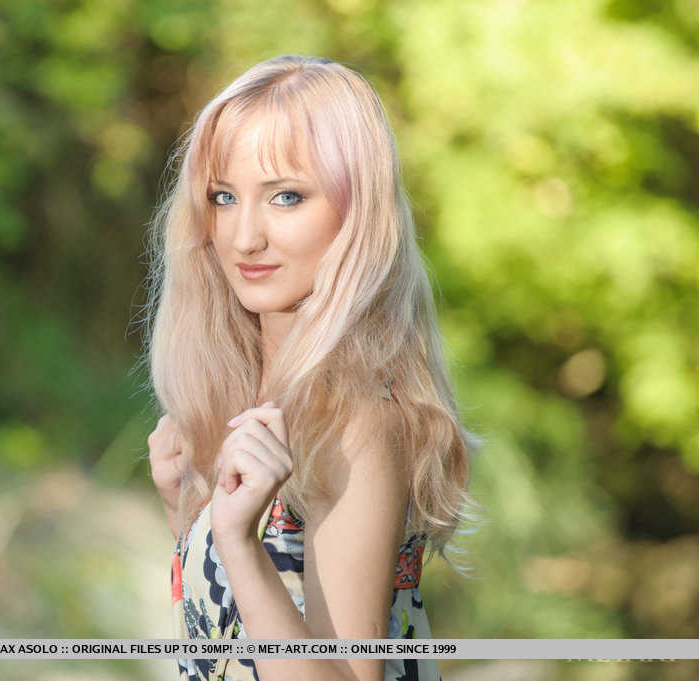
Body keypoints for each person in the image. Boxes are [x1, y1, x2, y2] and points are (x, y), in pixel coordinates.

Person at [144, 55, 473, 681]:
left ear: (356, 211)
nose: (244, 237)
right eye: (223, 197)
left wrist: (236, 541)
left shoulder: (354, 419)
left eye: (286, 197)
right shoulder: (254, 394)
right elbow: (226, 647)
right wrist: (186, 516)